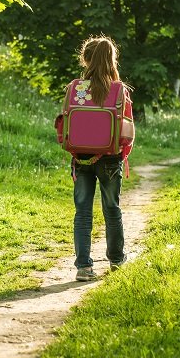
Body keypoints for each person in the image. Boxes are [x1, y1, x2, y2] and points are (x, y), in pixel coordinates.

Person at [71, 35, 132, 282]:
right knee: (112, 208)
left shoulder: (75, 88)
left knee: (83, 211)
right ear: (111, 60)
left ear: (86, 61)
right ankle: (116, 260)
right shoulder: (119, 90)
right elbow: (127, 132)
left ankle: (84, 267)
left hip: (81, 157)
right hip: (109, 158)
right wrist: (121, 155)